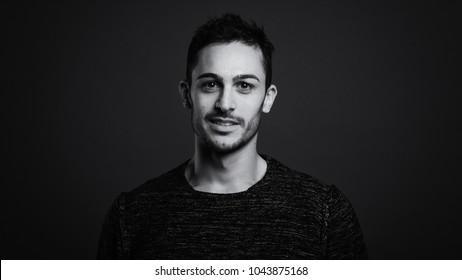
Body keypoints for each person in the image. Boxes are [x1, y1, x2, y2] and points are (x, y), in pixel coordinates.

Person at [98, 13, 367, 259]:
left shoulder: (325, 213)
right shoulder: (130, 217)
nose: (225, 103)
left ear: (268, 98)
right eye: (210, 84)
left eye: (244, 86)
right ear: (186, 94)